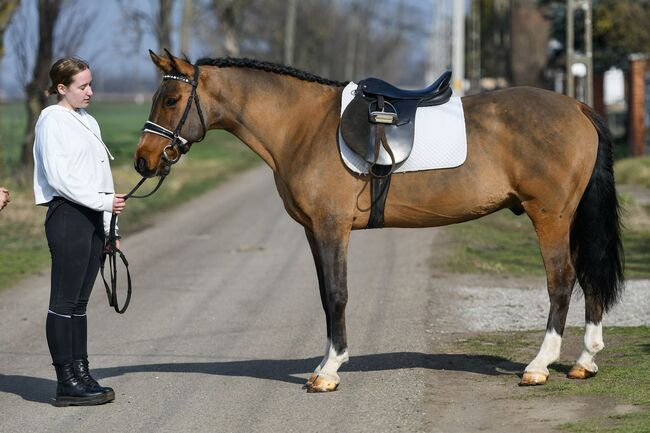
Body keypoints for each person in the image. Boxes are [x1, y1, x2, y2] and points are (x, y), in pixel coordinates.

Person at [33, 57, 126, 407]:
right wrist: (103, 203)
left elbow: (102, 179)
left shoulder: (88, 120)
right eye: (82, 86)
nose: (90, 91)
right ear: (62, 88)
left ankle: (82, 372)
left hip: (90, 218)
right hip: (67, 216)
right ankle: (65, 381)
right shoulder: (51, 120)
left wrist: (109, 227)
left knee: (80, 305)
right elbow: (60, 178)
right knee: (63, 303)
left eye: (90, 84)